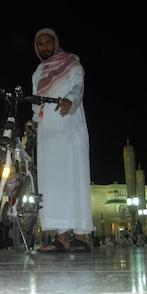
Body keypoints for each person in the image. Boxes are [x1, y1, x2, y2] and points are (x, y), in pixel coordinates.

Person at [29, 28, 93, 252]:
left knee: (75, 177)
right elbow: (37, 102)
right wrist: (34, 121)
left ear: (55, 43)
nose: (44, 47)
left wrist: (68, 100)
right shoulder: (38, 72)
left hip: (70, 126)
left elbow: (78, 87)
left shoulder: (72, 63)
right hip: (49, 133)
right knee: (52, 183)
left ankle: (82, 236)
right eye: (40, 44)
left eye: (48, 43)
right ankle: (61, 237)